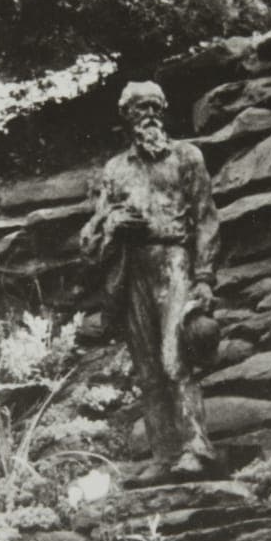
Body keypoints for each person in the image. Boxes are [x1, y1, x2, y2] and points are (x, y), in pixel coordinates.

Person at [80, 81, 220, 484]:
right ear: (126, 117)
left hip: (174, 260)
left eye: (155, 106)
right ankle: (164, 454)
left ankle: (197, 448)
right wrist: (112, 223)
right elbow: (90, 234)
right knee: (146, 367)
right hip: (132, 268)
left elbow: (207, 218)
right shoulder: (116, 170)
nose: (149, 115)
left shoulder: (186, 157)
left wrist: (205, 277)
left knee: (176, 356)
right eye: (139, 108)